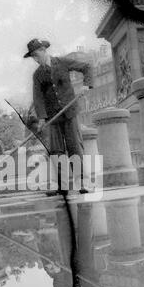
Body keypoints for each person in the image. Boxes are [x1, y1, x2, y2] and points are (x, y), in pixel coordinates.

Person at [24, 38, 94, 195]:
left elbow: (87, 67)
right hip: (52, 118)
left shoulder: (61, 62)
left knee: (75, 147)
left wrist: (86, 85)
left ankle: (83, 183)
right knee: (56, 151)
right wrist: (42, 118)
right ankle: (63, 186)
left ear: (43, 51)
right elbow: (38, 98)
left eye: (36, 55)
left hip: (69, 113)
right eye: (33, 57)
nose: (36, 59)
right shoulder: (37, 75)